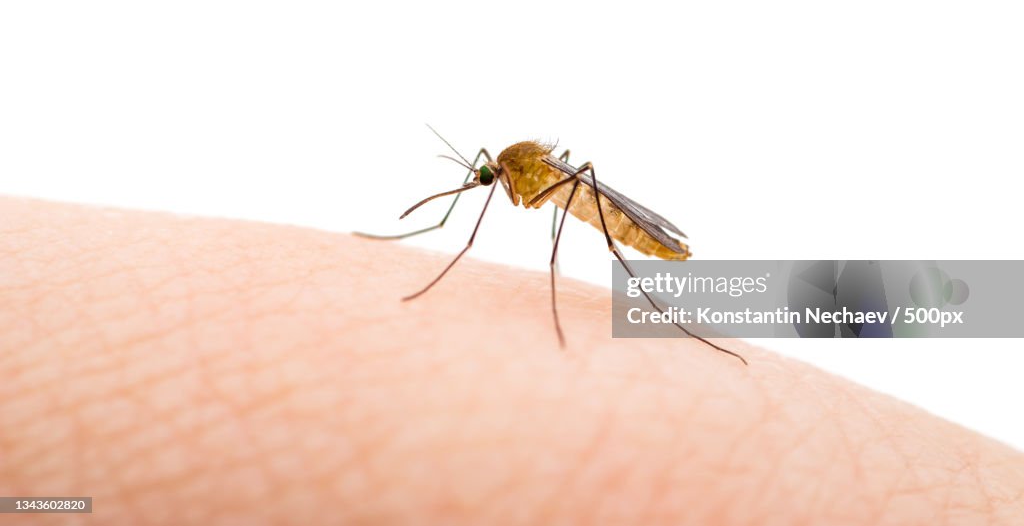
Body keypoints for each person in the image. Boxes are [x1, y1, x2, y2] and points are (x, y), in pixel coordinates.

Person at [1, 196, 1021, 524]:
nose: (489, 186)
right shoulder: (510, 173)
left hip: (631, 222)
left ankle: (674, 303)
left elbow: (534, 189)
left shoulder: (539, 181)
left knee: (590, 227)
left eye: (491, 178)